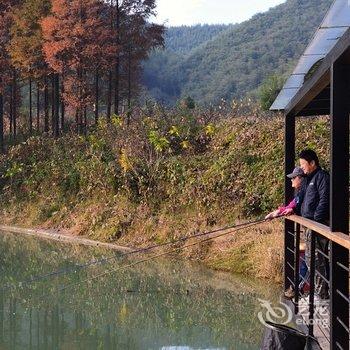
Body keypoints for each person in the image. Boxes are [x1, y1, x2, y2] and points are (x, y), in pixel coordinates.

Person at [299, 149, 330, 300]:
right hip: (309, 226)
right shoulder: (307, 179)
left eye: (304, 164)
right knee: (311, 260)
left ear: (312, 163)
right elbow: (301, 199)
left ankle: (322, 296)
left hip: (317, 226)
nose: (302, 167)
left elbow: (325, 200)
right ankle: (320, 294)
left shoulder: (322, 177)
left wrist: (315, 220)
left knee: (317, 261)